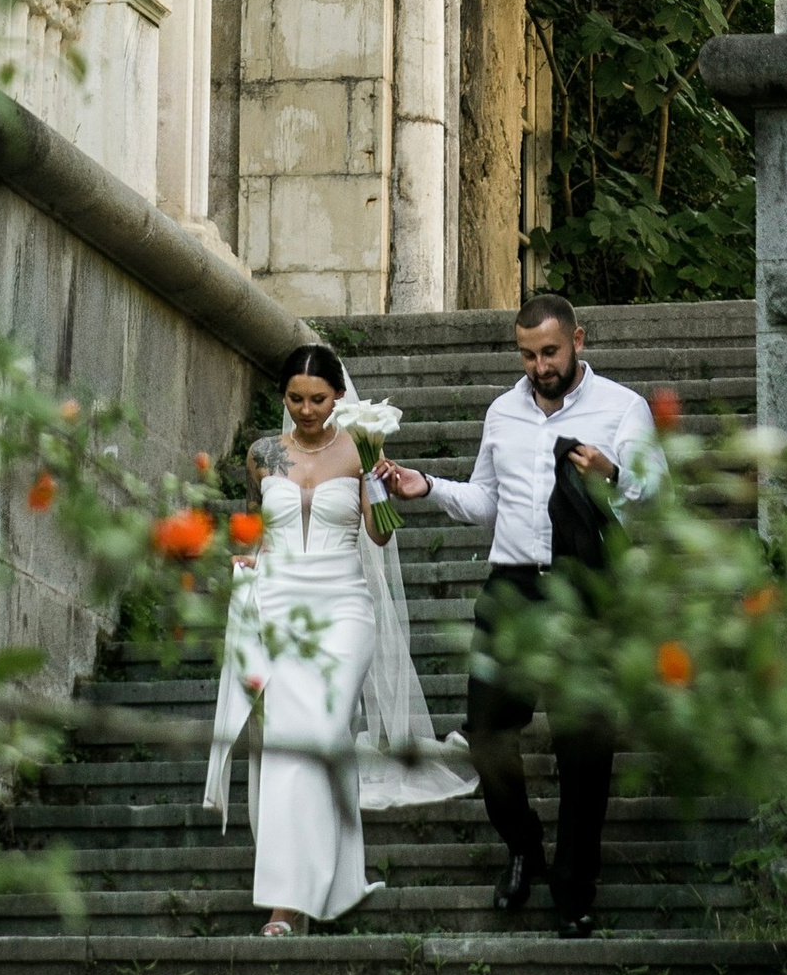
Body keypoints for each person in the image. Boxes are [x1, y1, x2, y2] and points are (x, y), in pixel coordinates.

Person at [376, 292, 659, 939]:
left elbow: (654, 494)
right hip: (511, 590)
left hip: (586, 591)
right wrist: (427, 484)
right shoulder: (503, 410)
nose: (539, 365)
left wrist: (613, 473)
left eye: (550, 351)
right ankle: (525, 846)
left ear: (578, 339)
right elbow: (485, 500)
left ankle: (574, 884)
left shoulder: (622, 408)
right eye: (528, 353)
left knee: (585, 748)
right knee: (486, 732)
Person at [205, 341, 472, 937]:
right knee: (283, 746)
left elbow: (379, 536)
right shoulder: (261, 455)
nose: (306, 410)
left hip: (342, 608)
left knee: (322, 733)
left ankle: (301, 893)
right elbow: (250, 527)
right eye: (296, 399)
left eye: (318, 399)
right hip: (275, 605)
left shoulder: (359, 450)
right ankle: (296, 895)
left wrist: (378, 480)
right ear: (284, 399)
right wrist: (242, 563)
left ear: (338, 398)